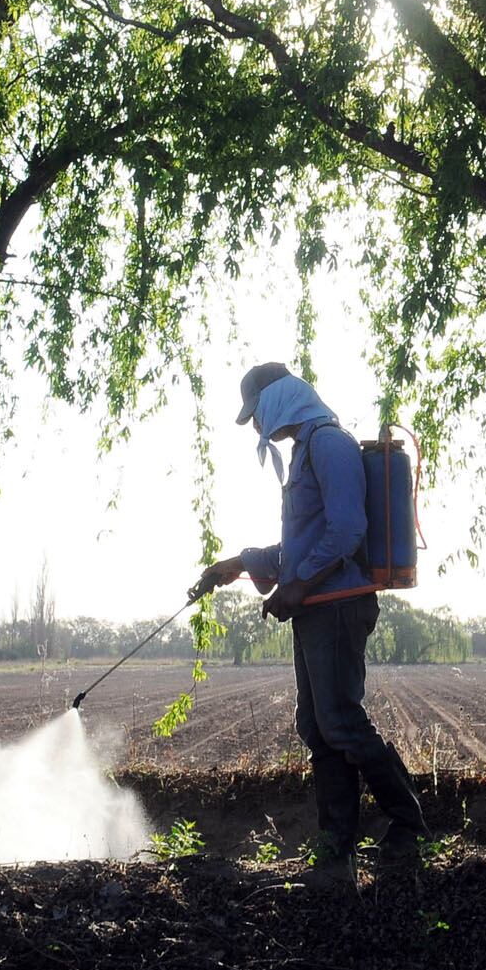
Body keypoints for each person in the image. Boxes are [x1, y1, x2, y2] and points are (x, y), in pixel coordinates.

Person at [189, 362, 428, 889]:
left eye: (256, 414)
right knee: (318, 727)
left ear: (279, 399)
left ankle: (409, 823)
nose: (256, 428)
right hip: (316, 609)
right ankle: (335, 850)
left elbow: (347, 531)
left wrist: (296, 588)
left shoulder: (328, 445)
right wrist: (239, 563)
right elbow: (297, 549)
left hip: (339, 607)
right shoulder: (305, 453)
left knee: (340, 720)